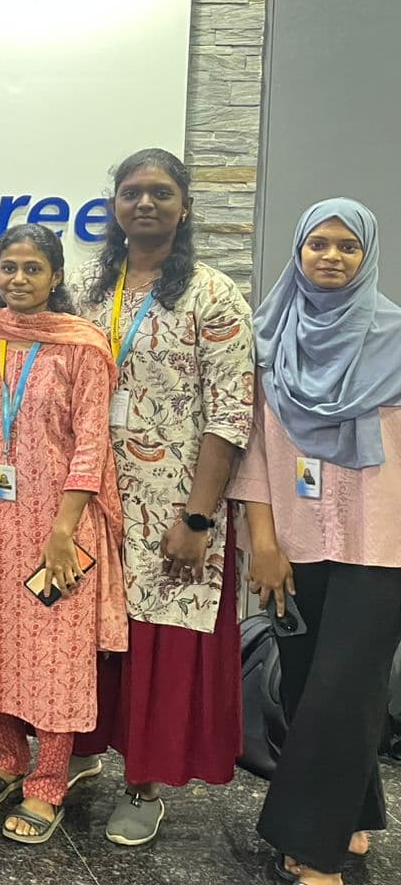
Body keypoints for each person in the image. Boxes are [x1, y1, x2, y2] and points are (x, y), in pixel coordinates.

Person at [67, 149, 256, 847]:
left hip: (173, 505)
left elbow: (231, 414)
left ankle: (143, 784)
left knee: (158, 644)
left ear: (185, 207)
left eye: (160, 192)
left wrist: (198, 517)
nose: (144, 203)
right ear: (113, 205)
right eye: (131, 192)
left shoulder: (213, 295)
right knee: (86, 632)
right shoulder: (89, 288)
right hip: (92, 499)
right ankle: (80, 751)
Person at [229, 198, 401, 885]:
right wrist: (263, 543)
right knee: (305, 689)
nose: (331, 256)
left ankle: (313, 845)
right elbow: (256, 454)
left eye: (347, 246)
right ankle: (352, 810)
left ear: (368, 256)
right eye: (318, 244)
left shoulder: (395, 337)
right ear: (298, 253)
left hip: (380, 549)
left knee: (345, 694)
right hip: (295, 543)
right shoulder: (271, 339)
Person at [0, 223, 125, 847]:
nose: (19, 279)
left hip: (59, 526)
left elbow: (91, 441)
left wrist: (63, 530)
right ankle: (6, 759)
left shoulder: (81, 346)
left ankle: (49, 781)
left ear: (56, 277)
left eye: (33, 268)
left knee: (56, 658)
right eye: (9, 267)